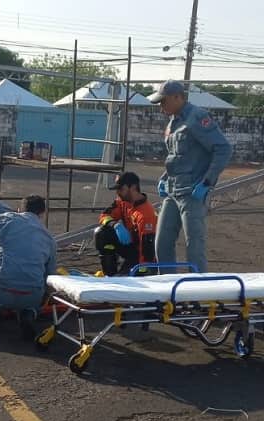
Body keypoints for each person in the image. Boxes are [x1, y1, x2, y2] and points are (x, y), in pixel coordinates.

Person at [148, 80, 233, 273]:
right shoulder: (173, 122)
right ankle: (168, 288)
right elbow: (177, 156)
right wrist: (164, 177)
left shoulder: (197, 117)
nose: (161, 106)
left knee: (194, 245)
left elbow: (223, 149)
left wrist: (208, 181)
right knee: (162, 242)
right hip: (172, 191)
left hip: (192, 193)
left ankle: (197, 292)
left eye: (164, 101)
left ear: (178, 97)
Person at [0, 195, 56, 340]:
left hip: (0, 289)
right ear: (43, 213)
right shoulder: (50, 238)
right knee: (36, 284)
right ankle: (29, 313)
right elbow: (50, 275)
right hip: (31, 295)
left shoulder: (3, 219)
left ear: (19, 210)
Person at [95, 172, 157, 276]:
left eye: (121, 189)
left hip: (141, 255)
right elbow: (104, 215)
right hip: (129, 246)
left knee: (126, 278)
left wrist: (142, 272)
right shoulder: (122, 202)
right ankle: (110, 275)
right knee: (102, 233)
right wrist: (115, 224)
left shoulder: (145, 214)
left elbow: (147, 250)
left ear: (132, 187)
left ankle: (125, 274)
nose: (118, 192)